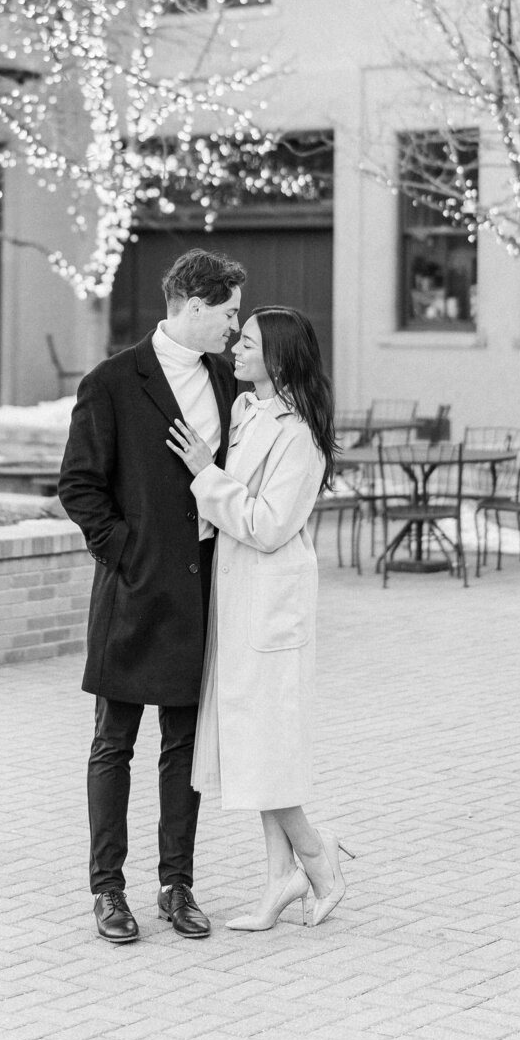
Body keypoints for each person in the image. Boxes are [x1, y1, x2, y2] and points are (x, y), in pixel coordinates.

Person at [59, 248, 245, 944]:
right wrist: (127, 553)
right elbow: (79, 485)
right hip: (134, 593)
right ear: (193, 306)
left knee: (184, 744)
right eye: (227, 313)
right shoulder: (110, 382)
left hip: (200, 592)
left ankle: (177, 885)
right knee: (114, 741)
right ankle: (108, 890)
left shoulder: (229, 384)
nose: (234, 326)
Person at [167, 306, 349, 930]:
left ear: (278, 356)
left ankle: (318, 861)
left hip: (271, 606)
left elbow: (269, 525)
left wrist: (204, 476)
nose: (235, 350)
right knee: (255, 747)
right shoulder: (248, 413)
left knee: (267, 750)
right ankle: (280, 880)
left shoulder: (298, 434)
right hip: (238, 602)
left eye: (247, 343)